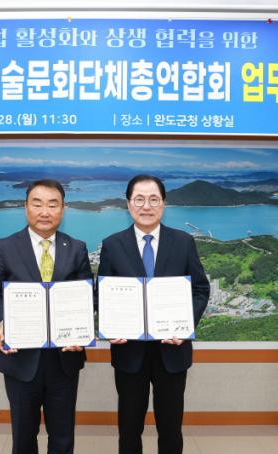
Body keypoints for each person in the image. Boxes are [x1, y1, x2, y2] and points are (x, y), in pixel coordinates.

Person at [98, 175, 210, 454]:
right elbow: (103, 293)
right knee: (129, 428)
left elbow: (200, 289)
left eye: (153, 199)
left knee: (170, 428)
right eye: (139, 199)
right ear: (128, 204)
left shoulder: (183, 242)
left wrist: (185, 327)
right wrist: (110, 326)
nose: (146, 206)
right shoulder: (112, 244)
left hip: (172, 351)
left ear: (163, 204)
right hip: (129, 353)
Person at [0, 179, 92, 454]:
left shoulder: (77, 248)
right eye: (37, 203)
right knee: (23, 437)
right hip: (20, 358)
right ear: (25, 207)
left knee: (63, 437)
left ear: (63, 210)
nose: (45, 211)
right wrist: (3, 323)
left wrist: (81, 331)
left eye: (53, 205)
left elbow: (86, 296)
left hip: (64, 359)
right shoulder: (5, 247)